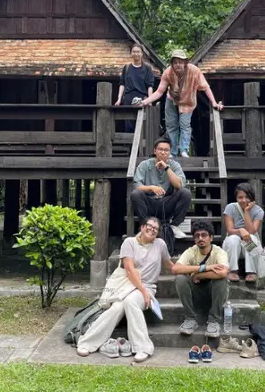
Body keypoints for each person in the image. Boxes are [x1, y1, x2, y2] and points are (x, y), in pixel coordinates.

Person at [76, 217, 173, 362]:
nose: (152, 230)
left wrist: (198, 268)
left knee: (131, 301)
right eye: (149, 226)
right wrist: (143, 292)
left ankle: (143, 347)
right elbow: (129, 269)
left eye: (155, 229)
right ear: (142, 227)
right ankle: (86, 342)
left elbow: (171, 266)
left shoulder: (160, 244)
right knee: (117, 308)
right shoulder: (129, 242)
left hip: (147, 287)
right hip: (128, 285)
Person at [141, 49, 223, 157]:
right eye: (175, 62)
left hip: (187, 101)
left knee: (185, 125)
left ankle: (184, 149)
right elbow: (160, 91)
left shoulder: (194, 71)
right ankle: (173, 151)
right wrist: (145, 102)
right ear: (172, 64)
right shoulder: (168, 72)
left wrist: (213, 102)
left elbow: (205, 87)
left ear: (185, 62)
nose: (177, 65)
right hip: (172, 99)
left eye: (180, 62)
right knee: (171, 125)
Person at [172, 220, 229, 338]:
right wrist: (206, 267)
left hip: (214, 294)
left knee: (221, 280)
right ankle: (190, 318)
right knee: (180, 278)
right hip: (196, 293)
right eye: (197, 236)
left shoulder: (219, 252)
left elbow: (223, 272)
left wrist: (198, 275)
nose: (200, 238)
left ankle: (214, 320)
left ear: (211, 238)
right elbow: (175, 269)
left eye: (204, 235)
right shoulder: (191, 251)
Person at [131, 136, 192, 243]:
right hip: (149, 203)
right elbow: (136, 185)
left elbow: (179, 185)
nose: (163, 152)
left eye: (166, 150)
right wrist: (151, 187)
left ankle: (174, 226)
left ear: (170, 152)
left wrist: (167, 168)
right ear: (155, 150)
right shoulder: (145, 165)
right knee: (136, 194)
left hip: (167, 202)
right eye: (160, 149)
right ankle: (145, 226)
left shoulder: (175, 165)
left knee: (185, 193)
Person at [221, 182, 265, 283]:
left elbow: (251, 231)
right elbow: (230, 230)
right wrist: (240, 230)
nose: (243, 200)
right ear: (236, 198)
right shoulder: (230, 207)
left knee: (251, 237)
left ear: (252, 197)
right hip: (233, 244)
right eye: (240, 197)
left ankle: (251, 271)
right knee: (233, 239)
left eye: (247, 197)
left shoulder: (258, 211)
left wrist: (247, 211)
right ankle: (232, 270)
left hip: (250, 246)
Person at [115, 43, 155, 133]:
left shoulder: (147, 68)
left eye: (138, 52)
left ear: (142, 54)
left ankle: (140, 146)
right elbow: (122, 84)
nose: (136, 54)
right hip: (128, 98)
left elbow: (150, 86)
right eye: (134, 51)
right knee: (128, 124)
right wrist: (119, 99)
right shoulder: (127, 67)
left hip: (142, 98)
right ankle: (128, 145)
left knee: (141, 124)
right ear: (131, 53)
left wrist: (150, 100)